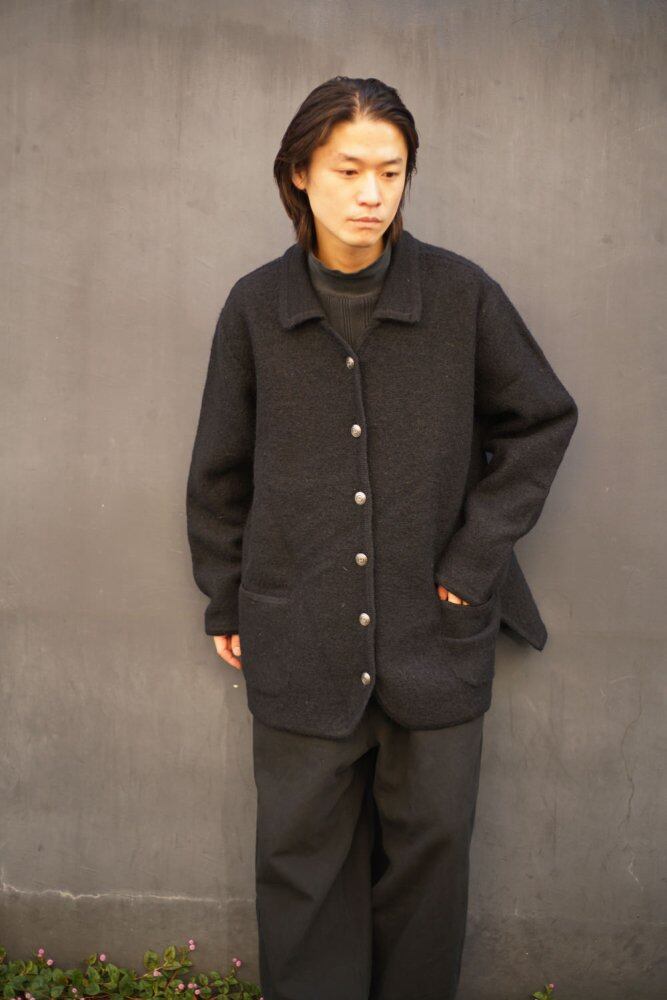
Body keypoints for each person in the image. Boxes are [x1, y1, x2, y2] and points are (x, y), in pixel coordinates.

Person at [186, 76, 578, 1000]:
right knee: (300, 868)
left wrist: (472, 564)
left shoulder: (461, 295)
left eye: (391, 172)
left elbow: (540, 421)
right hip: (297, 636)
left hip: (434, 640)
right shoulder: (255, 308)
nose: (372, 193)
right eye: (349, 170)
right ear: (299, 174)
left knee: (429, 868)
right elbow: (219, 472)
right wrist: (227, 596)